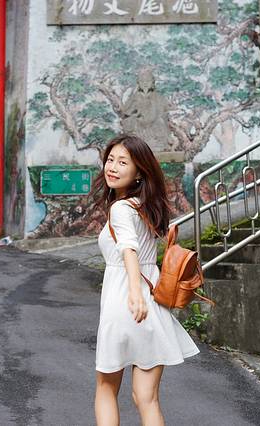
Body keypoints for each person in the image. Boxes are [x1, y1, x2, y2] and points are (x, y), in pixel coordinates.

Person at [92, 134, 199, 425]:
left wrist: (134, 295)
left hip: (125, 303)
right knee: (146, 398)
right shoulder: (145, 207)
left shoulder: (120, 209)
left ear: (139, 172)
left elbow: (129, 249)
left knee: (106, 389)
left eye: (122, 162)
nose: (112, 167)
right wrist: (141, 297)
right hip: (154, 308)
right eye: (110, 160)